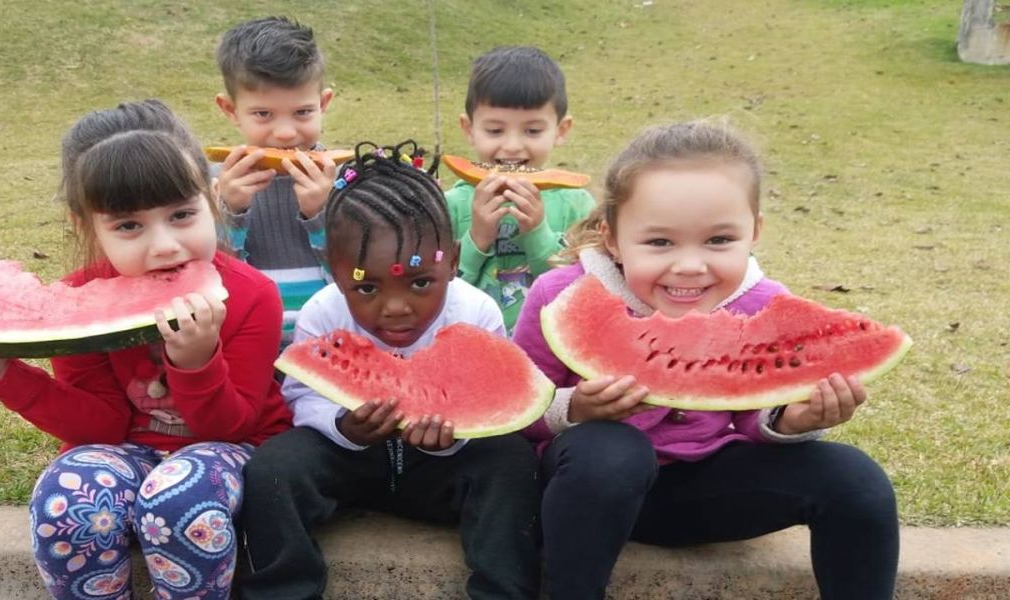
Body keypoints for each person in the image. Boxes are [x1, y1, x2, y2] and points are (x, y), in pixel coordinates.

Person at [512, 120, 899, 600]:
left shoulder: (763, 304)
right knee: (614, 451)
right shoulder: (562, 295)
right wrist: (574, 409)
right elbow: (518, 409)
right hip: (584, 492)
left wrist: (790, 419)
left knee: (857, 480)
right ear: (612, 239)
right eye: (660, 242)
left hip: (701, 491)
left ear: (754, 232)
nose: (690, 266)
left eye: (718, 241)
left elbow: (751, 410)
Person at [0, 99, 291, 599]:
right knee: (66, 503)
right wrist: (3, 372)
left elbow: (233, 426)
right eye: (128, 226)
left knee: (178, 503)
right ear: (86, 227)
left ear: (211, 200)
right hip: (124, 448)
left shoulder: (252, 295)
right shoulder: (77, 302)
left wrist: (195, 363)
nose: (164, 245)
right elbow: (100, 427)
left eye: (182, 215)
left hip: (231, 448)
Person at [237, 142, 541, 600]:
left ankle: (503, 592)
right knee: (272, 469)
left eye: (420, 282)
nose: (396, 307)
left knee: (511, 462)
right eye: (366, 287)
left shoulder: (476, 311)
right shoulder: (323, 311)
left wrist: (455, 436)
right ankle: (284, 591)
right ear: (336, 271)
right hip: (349, 463)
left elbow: (491, 403)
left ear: (452, 261)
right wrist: (342, 426)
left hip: (442, 474)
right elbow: (303, 395)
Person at [446, 46, 595, 334]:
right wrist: (476, 239)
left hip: (547, 347)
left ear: (561, 130)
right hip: (471, 343)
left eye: (532, 131)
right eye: (495, 131)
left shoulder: (578, 206)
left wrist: (538, 233)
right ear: (468, 128)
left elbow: (580, 292)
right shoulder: (450, 205)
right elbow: (440, 293)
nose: (512, 146)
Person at [212, 16, 337, 347]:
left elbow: (357, 278)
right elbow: (217, 283)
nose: (284, 132)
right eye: (263, 114)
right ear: (230, 110)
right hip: (250, 348)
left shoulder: (346, 181)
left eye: (302, 112)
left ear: (323, 104)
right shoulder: (215, 185)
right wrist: (230, 212)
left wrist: (322, 215)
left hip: (333, 348)